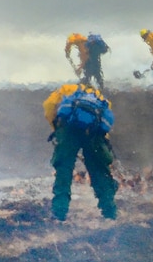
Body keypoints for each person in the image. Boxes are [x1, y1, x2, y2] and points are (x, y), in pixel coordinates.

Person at [43, 83, 118, 221]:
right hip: (93, 135)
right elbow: (104, 128)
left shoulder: (67, 89)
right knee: (100, 174)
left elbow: (49, 104)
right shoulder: (102, 100)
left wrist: (56, 128)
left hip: (68, 131)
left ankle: (59, 213)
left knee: (63, 172)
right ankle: (110, 213)